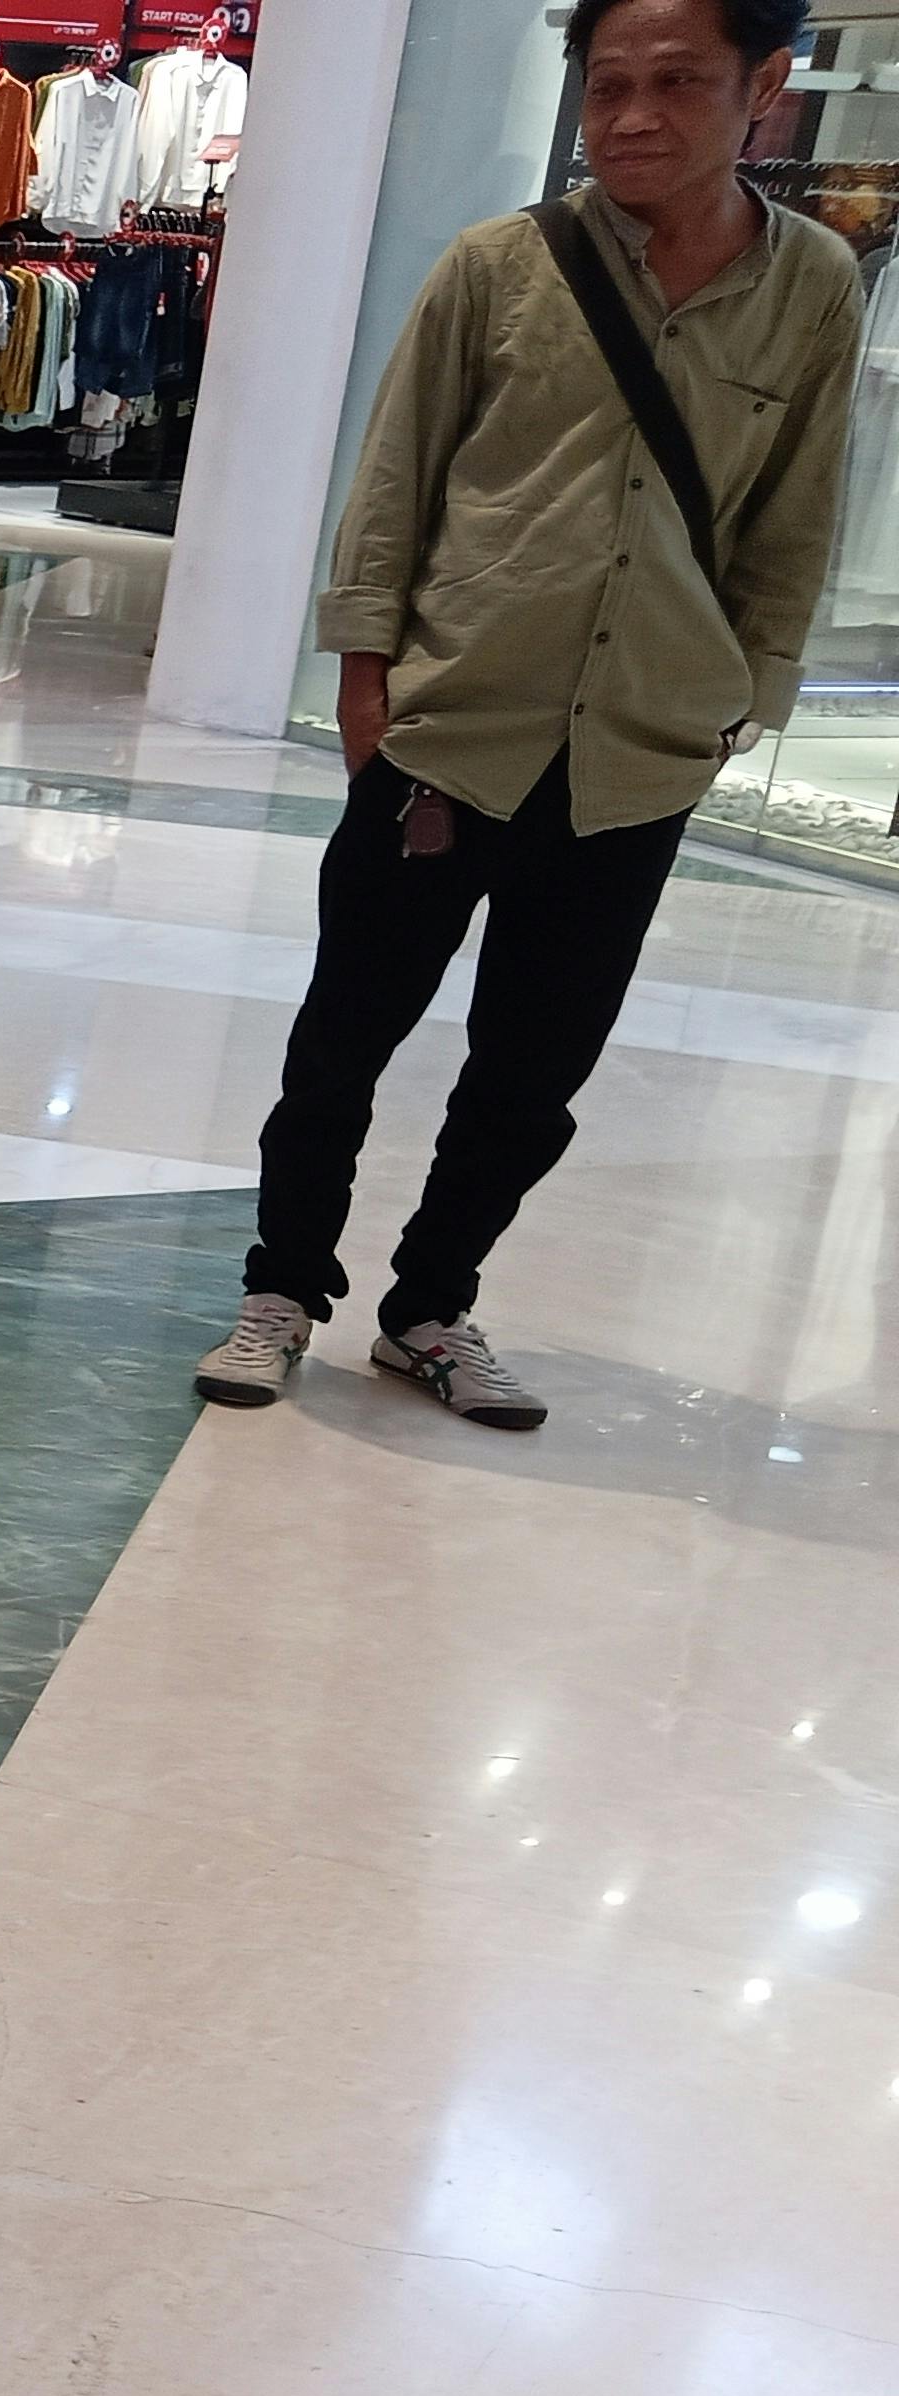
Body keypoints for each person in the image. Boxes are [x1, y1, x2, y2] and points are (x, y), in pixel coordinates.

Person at [196, 0, 858, 1430]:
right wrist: (368, 692)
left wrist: (744, 699)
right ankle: (278, 1288)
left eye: (677, 82)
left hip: (640, 751)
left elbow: (796, 513)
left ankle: (432, 1307)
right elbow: (397, 484)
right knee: (343, 1040)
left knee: (535, 1065)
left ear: (766, 88)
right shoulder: (499, 265)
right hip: (449, 733)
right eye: (609, 82)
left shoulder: (814, 283)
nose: (633, 115)